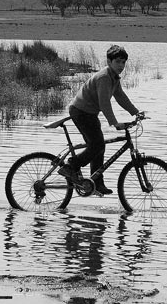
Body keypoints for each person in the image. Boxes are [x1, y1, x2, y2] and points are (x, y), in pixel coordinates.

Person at [59, 45, 143, 195]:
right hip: (81, 112)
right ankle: (71, 165)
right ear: (109, 62)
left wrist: (136, 112)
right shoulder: (104, 77)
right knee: (97, 145)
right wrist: (114, 123)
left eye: (124, 62)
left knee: (99, 146)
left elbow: (121, 97)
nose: (121, 66)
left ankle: (96, 182)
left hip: (90, 114)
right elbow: (104, 102)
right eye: (118, 62)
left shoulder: (114, 78)